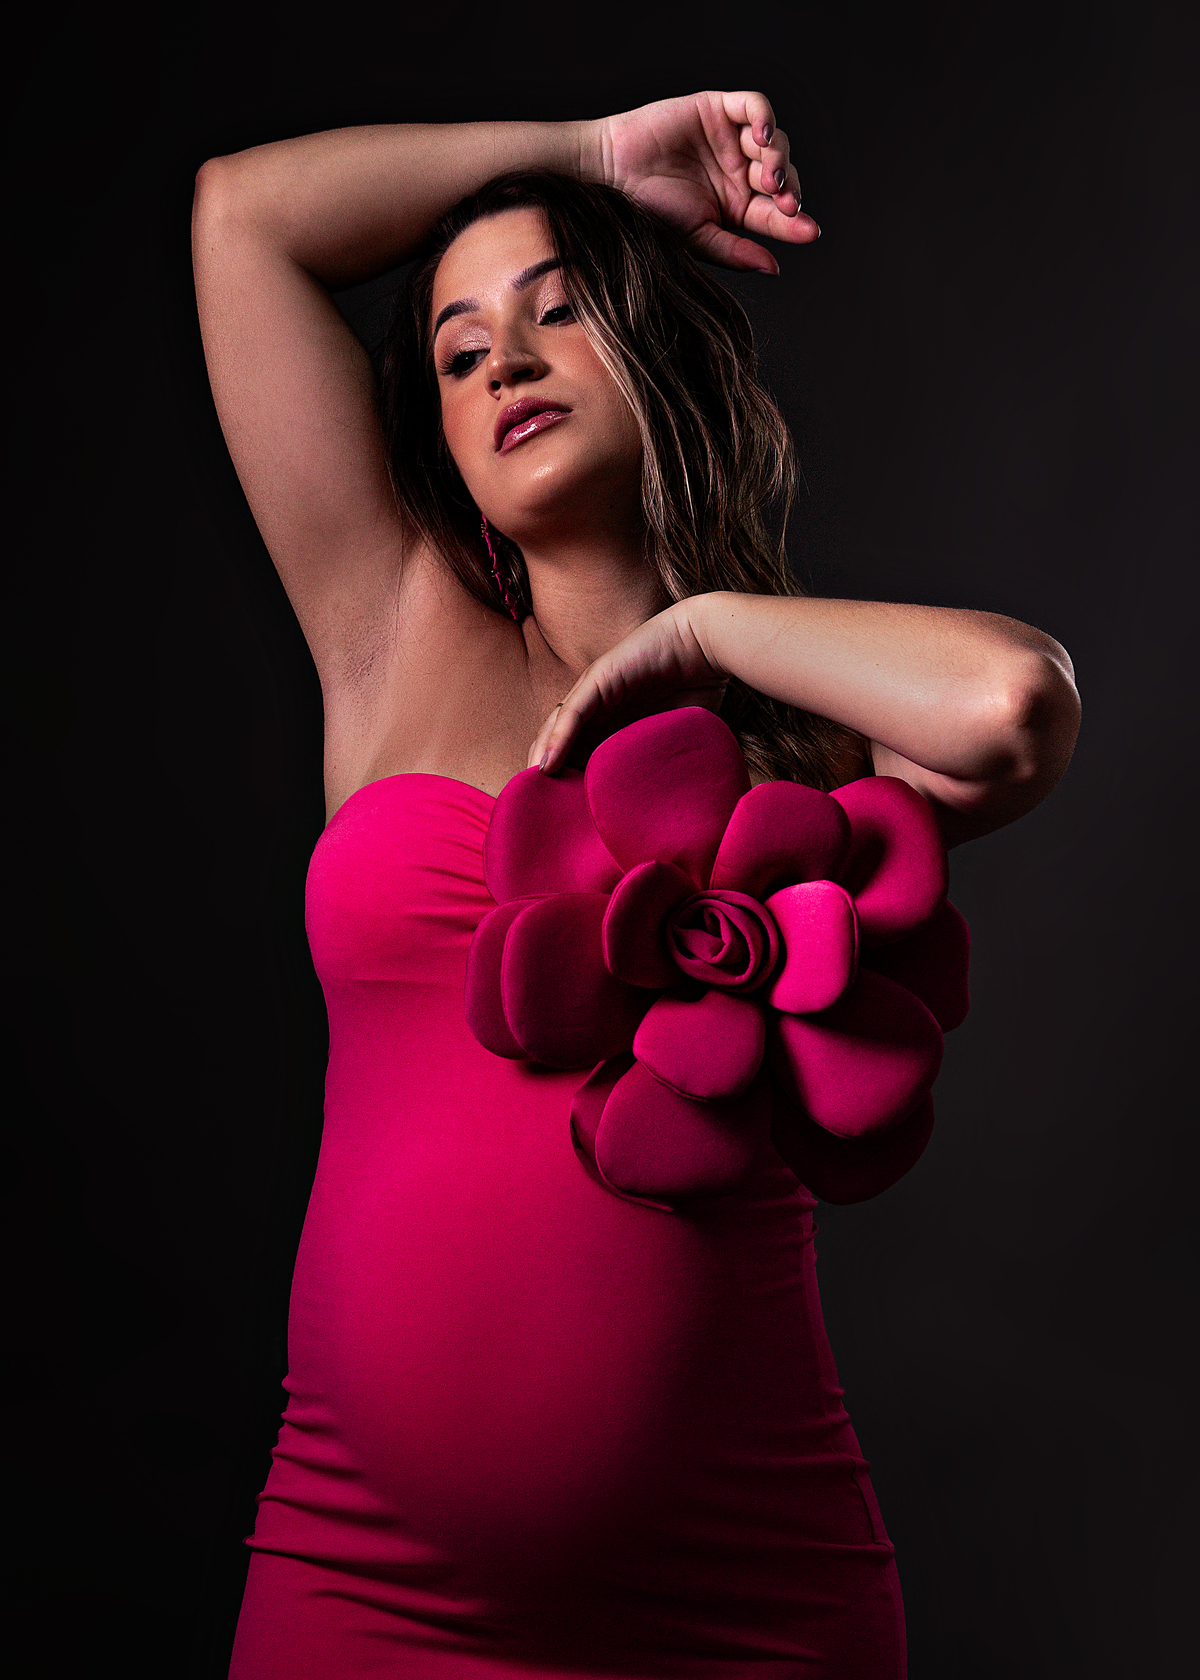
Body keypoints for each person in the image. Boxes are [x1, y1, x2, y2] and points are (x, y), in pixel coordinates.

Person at [192, 90, 1080, 1677]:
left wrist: (709, 632)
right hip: (362, 1581)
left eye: (555, 312)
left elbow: (1015, 704)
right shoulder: (393, 636)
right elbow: (242, 219)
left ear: (651, 353)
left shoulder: (808, 748)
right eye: (460, 352)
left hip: (744, 1598)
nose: (506, 364)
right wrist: (594, 158)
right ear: (444, 441)